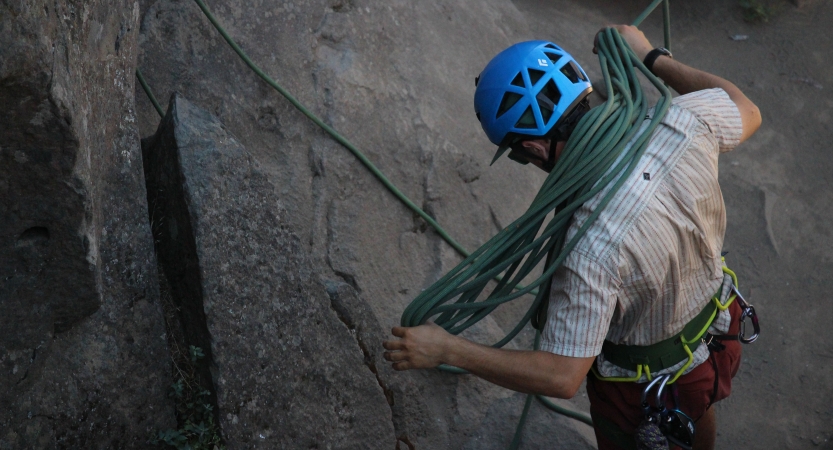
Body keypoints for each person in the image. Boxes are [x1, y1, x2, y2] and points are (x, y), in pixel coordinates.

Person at [383, 24, 761, 450]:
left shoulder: (589, 244)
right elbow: (746, 108)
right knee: (694, 412)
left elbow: (561, 376)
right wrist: (650, 56)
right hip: (720, 330)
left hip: (646, 389)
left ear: (533, 149)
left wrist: (449, 350)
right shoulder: (682, 120)